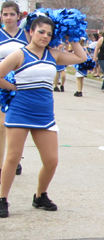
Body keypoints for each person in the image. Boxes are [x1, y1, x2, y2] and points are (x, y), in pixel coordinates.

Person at [0, 15, 87, 218]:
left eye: (49, 33)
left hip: (44, 115)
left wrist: (71, 36)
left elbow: (81, 58)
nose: (45, 36)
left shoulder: (54, 55)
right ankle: (2, 199)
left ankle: (40, 195)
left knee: (51, 161)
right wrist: (11, 87)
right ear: (30, 32)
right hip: (19, 111)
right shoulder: (19, 55)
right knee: (12, 158)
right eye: (40, 32)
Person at [0, 0, 28, 178]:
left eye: (12, 14)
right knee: (1, 126)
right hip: (1, 84)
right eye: (5, 14)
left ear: (19, 16)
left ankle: (14, 159)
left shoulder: (27, 35)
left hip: (21, 84)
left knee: (17, 126)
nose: (8, 17)